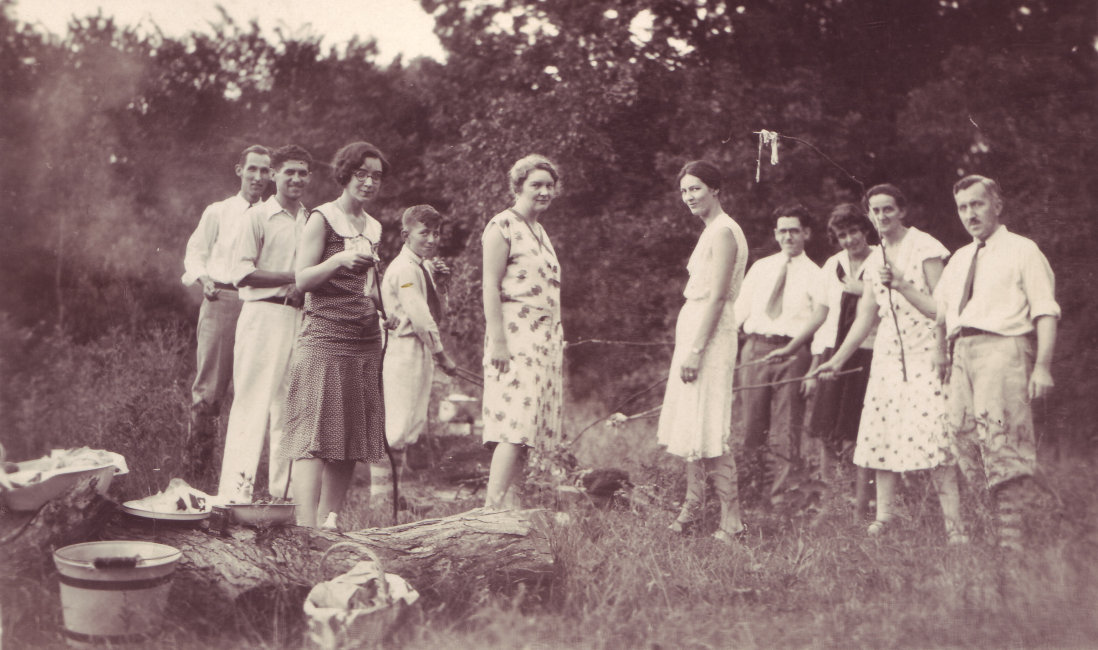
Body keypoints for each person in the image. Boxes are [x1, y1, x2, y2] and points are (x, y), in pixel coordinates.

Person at [816, 183, 964, 543]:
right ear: (869, 215)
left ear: (902, 210)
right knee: (881, 434)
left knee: (936, 438)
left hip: (927, 353)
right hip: (886, 357)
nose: (882, 216)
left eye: (888, 209)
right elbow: (866, 317)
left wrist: (940, 348)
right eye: (875, 210)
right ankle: (885, 518)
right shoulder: (874, 258)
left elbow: (943, 309)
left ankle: (955, 526)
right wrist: (836, 360)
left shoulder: (926, 247)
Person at [934, 175, 1059, 550]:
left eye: (978, 204)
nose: (970, 214)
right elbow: (940, 312)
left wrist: (1043, 366)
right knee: (963, 441)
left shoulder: (1023, 250)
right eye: (963, 207)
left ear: (997, 205)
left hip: (1003, 351)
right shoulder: (958, 259)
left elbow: (1045, 312)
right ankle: (1028, 514)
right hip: (962, 354)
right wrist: (940, 350)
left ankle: (1012, 544)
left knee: (1001, 441)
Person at [281, 141, 390, 529]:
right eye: (361, 174)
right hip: (324, 336)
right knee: (314, 433)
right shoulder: (322, 218)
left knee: (349, 436)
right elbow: (302, 278)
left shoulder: (373, 226)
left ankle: (330, 523)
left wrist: (387, 308)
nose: (369, 182)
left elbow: (371, 288)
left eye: (376, 176)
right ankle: (304, 528)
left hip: (364, 340)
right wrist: (340, 259)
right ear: (345, 175)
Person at [657, 160, 750, 544]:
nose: (689, 197)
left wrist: (695, 350)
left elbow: (716, 298)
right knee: (692, 424)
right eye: (684, 191)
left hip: (709, 338)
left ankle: (733, 522)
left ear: (715, 189)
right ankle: (691, 508)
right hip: (696, 332)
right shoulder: (711, 230)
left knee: (710, 426)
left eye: (696, 188)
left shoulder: (725, 231)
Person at [217, 144, 311, 504]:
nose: (296, 179)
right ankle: (233, 497)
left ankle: (281, 497)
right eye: (289, 172)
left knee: (290, 407)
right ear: (274, 174)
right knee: (251, 405)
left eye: (303, 173)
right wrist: (294, 276)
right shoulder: (257, 217)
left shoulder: (311, 219)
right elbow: (241, 273)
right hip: (262, 316)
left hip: (298, 317)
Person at [181, 145, 271, 480]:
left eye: (265, 171)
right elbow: (196, 253)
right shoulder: (218, 211)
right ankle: (196, 474)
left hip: (260, 304)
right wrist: (204, 279)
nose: (258, 177)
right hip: (222, 300)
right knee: (209, 390)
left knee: (251, 390)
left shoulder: (272, 215)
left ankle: (241, 477)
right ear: (239, 170)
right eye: (252, 169)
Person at [481, 154, 564, 510]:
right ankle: (489, 510)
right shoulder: (502, 225)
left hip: (543, 339)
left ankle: (510, 514)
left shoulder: (541, 231)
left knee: (527, 428)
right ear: (518, 187)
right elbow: (489, 285)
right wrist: (498, 340)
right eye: (536, 185)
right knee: (513, 425)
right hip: (514, 335)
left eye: (549, 185)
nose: (544, 192)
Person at [733, 205, 826, 504]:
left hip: (793, 353)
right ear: (775, 234)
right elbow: (738, 311)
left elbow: (823, 324)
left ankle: (780, 500)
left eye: (794, 230)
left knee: (788, 429)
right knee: (751, 426)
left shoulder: (817, 275)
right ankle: (749, 494)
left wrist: (814, 365)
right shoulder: (761, 267)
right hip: (756, 348)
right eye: (783, 230)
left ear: (806, 234)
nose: (788, 236)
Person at [802, 204, 878, 519]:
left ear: (865, 230)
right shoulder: (833, 264)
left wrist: (866, 290)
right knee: (825, 430)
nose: (849, 240)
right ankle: (827, 504)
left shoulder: (882, 260)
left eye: (854, 232)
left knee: (858, 434)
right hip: (834, 353)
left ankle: (861, 507)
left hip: (870, 353)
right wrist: (805, 354)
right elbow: (823, 315)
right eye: (842, 235)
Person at [376, 205, 457, 489]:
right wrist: (442, 356)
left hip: (418, 350)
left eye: (436, 233)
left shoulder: (424, 267)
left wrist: (443, 285)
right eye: (425, 233)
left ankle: (397, 494)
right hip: (402, 350)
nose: (432, 240)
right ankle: (381, 497)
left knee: (412, 420)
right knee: (395, 423)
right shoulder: (404, 269)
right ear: (405, 234)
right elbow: (421, 319)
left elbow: (437, 313)